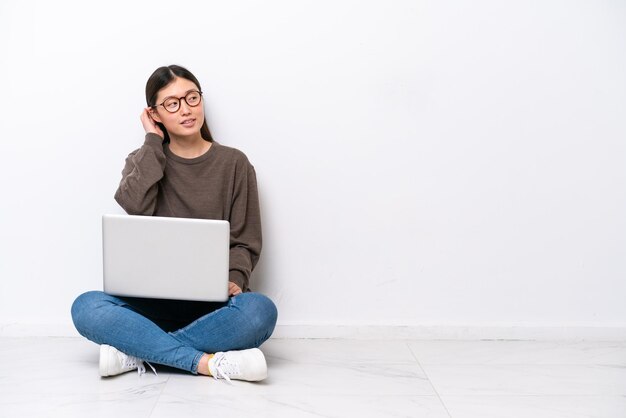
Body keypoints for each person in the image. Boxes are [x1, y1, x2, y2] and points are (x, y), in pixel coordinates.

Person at [71, 65, 277, 382]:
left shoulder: (234, 163)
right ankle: (206, 363)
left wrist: (235, 276)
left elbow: (244, 241)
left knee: (260, 311)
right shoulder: (142, 160)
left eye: (192, 98)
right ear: (154, 114)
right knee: (86, 307)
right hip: (148, 306)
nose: (186, 109)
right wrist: (152, 142)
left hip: (212, 307)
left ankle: (136, 351)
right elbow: (135, 207)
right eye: (172, 103)